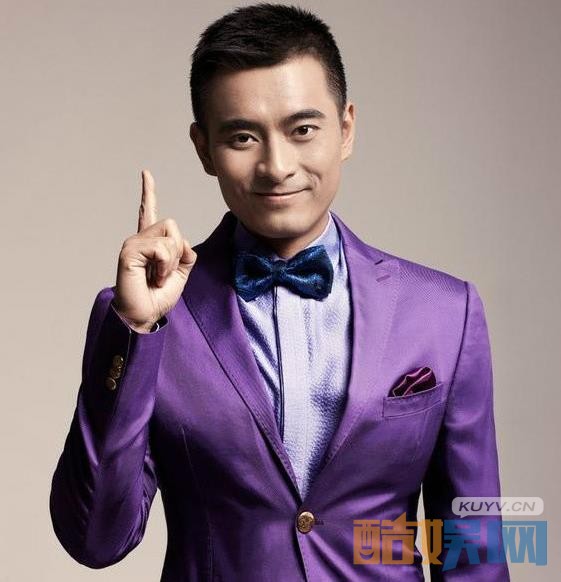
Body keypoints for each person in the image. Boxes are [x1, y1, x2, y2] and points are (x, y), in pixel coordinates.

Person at [49, 3, 509, 580]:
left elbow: (473, 544)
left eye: (302, 130)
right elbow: (95, 539)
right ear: (203, 148)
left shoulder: (445, 313)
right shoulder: (144, 319)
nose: (277, 166)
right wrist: (136, 331)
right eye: (243, 137)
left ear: (346, 129)